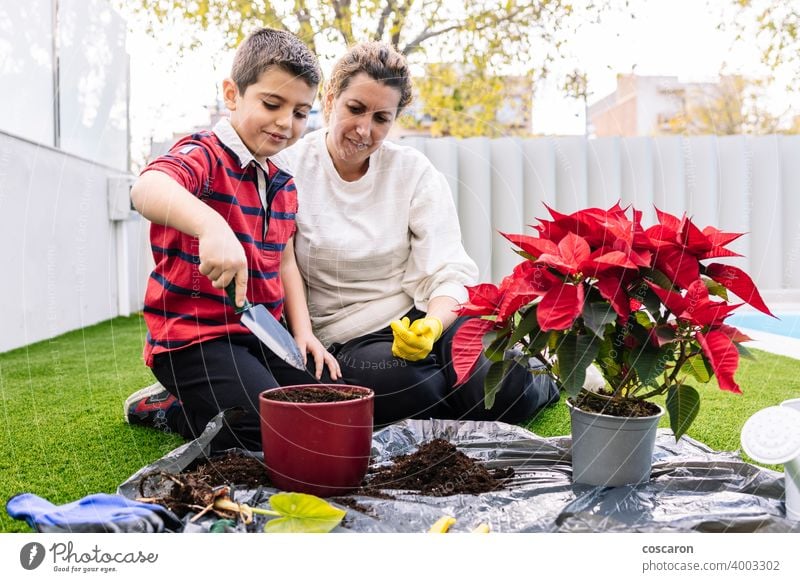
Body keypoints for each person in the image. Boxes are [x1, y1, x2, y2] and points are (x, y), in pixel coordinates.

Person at [270, 42, 559, 427]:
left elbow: (448, 269)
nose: (364, 130)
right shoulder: (289, 168)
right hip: (351, 337)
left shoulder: (411, 171)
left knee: (505, 384)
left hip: (425, 316)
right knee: (411, 390)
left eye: (381, 118)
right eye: (355, 109)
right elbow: (279, 265)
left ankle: (532, 380)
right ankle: (461, 397)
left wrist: (434, 324)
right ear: (330, 99)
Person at [124, 28, 340, 451]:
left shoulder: (283, 182)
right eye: (272, 104)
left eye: (300, 112)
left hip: (260, 335)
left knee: (330, 410)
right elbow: (146, 188)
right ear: (232, 94)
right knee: (266, 432)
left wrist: (304, 332)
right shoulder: (202, 153)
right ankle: (172, 408)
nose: (285, 123)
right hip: (194, 338)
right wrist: (212, 226)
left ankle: (201, 399)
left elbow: (284, 261)